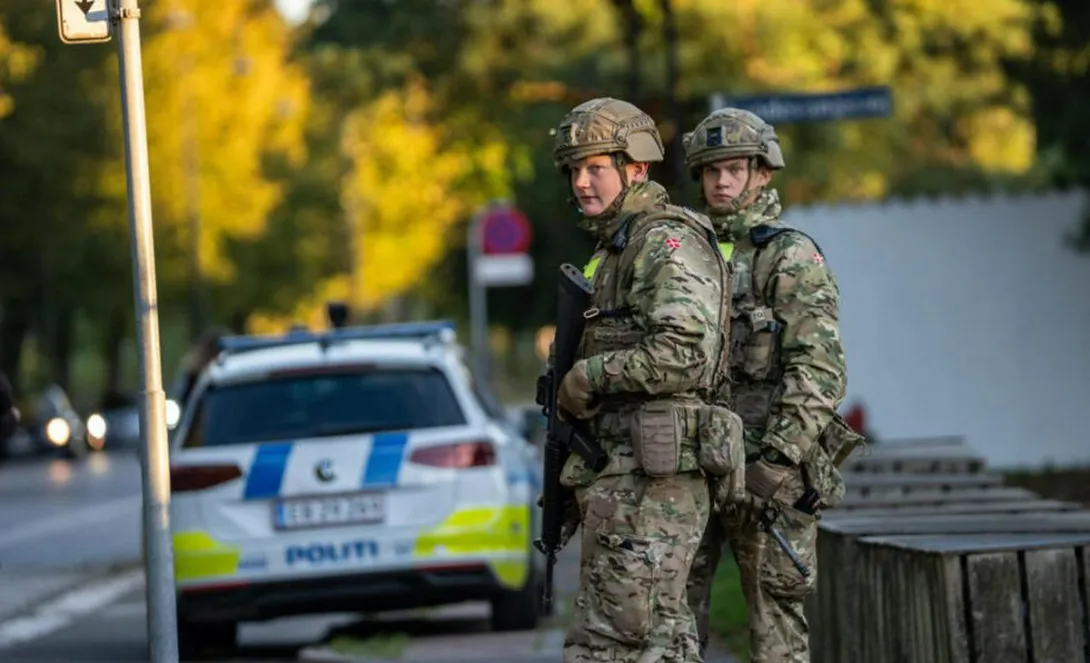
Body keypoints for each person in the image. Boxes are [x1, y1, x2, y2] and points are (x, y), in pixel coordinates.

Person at [547, 97, 739, 663]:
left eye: (594, 167)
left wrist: (592, 374)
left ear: (636, 168)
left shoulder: (662, 242)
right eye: (573, 169)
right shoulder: (616, 248)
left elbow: (685, 352)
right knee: (656, 639)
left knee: (614, 643)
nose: (581, 182)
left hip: (654, 484)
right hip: (628, 480)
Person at [681, 108, 862, 662]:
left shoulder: (789, 255)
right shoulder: (687, 254)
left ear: (763, 172)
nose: (722, 181)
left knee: (775, 635)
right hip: (693, 467)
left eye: (735, 168)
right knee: (673, 621)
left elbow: (819, 371)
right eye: (712, 171)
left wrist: (777, 461)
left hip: (771, 478)